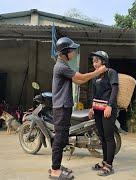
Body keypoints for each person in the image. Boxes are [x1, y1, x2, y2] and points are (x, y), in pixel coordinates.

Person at [49, 37, 107, 179]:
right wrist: (98, 72)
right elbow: (80, 77)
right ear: (65, 52)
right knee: (60, 138)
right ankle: (55, 170)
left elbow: (78, 80)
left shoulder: (64, 65)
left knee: (62, 139)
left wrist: (93, 76)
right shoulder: (61, 66)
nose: (74, 53)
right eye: (72, 50)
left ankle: (56, 165)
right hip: (61, 107)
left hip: (64, 106)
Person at [88, 51, 119, 176]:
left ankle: (109, 166)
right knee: (102, 137)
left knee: (108, 137)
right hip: (97, 110)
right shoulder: (96, 76)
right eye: (93, 61)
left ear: (104, 61)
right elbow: (94, 94)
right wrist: (91, 108)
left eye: (97, 61)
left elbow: (115, 89)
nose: (94, 63)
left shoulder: (111, 73)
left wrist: (110, 106)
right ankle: (104, 161)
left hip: (108, 110)